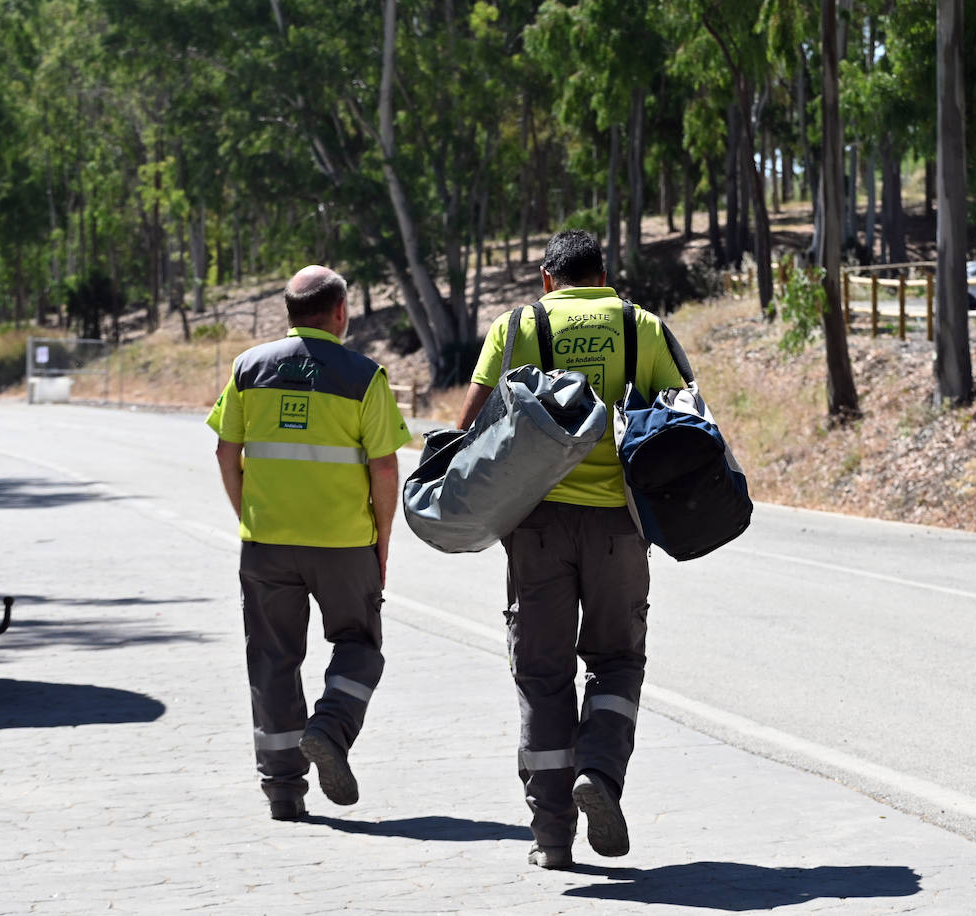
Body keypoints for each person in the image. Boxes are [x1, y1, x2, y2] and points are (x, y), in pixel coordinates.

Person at [456, 230, 686, 870]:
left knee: (542, 673)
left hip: (535, 526)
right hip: (619, 527)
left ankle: (552, 838)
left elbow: (470, 427)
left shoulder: (518, 325)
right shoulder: (643, 327)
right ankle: (601, 773)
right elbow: (685, 420)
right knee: (616, 662)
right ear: (604, 274)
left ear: (547, 278)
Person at [207, 265, 411, 821]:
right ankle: (330, 728)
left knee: (272, 660)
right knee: (359, 644)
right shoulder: (363, 375)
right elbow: (386, 465)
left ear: (289, 314)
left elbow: (226, 452)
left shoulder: (248, 369)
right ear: (341, 313)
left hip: (266, 543)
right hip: (344, 545)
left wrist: (248, 513)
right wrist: (383, 541)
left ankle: (283, 791)